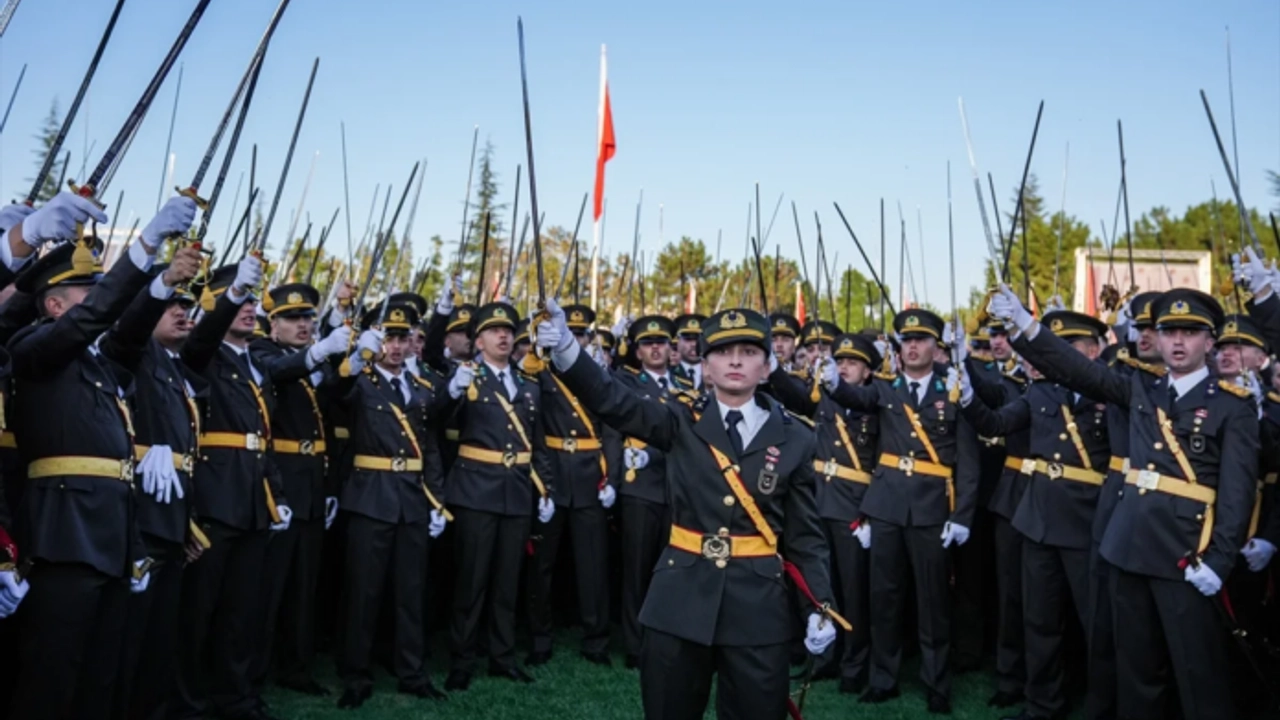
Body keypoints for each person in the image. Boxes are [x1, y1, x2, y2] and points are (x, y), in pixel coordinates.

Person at [536, 301, 841, 720]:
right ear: (705, 366)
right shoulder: (679, 419)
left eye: (749, 351)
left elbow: (806, 537)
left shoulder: (796, 438)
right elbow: (613, 400)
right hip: (679, 600)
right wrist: (569, 350)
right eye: (722, 351)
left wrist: (818, 605)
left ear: (768, 367)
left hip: (758, 608)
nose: (735, 360)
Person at [988, 284, 1257, 720]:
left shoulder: (1232, 406)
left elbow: (1237, 492)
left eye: (1189, 332)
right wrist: (1024, 324)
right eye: (1169, 331)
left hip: (1187, 554)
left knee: (1197, 672)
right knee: (1136, 671)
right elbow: (1078, 370)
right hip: (1128, 549)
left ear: (1210, 342)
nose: (1177, 341)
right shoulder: (1140, 388)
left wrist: (1221, 559)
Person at [5, 193, 196, 718]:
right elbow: (91, 324)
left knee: (100, 674)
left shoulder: (100, 364)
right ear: (54, 304)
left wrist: (160, 284)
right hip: (63, 533)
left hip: (111, 533)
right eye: (85, 291)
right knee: (53, 674)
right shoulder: (35, 348)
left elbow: (128, 333)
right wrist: (145, 245)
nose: (98, 301)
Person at [820, 307, 980, 714]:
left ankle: (936, 683)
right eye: (906, 340)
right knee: (884, 599)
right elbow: (855, 395)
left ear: (935, 346)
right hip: (886, 506)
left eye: (921, 339)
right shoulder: (886, 389)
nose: (912, 346)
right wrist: (834, 382)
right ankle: (883, 678)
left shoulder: (954, 390)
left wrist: (961, 516)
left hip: (931, 510)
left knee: (932, 604)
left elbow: (968, 462)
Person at [959, 310, 1112, 720]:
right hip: (1038, 518)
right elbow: (997, 422)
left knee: (1096, 624)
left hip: (1087, 520)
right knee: (1038, 619)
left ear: (1094, 352)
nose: (1056, 358)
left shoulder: (1110, 395)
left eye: (1070, 349)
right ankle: (1042, 704)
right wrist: (969, 396)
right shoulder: (1040, 393)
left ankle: (1101, 704)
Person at [172, 257, 295, 720]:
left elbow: (263, 439)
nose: (247, 309)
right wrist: (231, 295)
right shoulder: (201, 353)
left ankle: (236, 696)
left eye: (249, 301)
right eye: (235, 301)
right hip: (214, 499)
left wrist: (276, 495)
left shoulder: (254, 363)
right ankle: (189, 702)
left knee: (242, 612)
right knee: (199, 612)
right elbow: (202, 337)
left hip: (252, 500)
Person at [98, 248, 209, 720]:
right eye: (171, 306)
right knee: (129, 638)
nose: (182, 312)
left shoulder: (172, 366)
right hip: (138, 516)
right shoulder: (135, 351)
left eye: (187, 306)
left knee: (159, 637)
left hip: (170, 515)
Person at [334, 302, 448, 708]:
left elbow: (430, 448)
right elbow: (331, 392)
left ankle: (412, 673)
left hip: (412, 501)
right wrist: (354, 355)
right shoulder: (359, 382)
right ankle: (356, 675)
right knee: (363, 592)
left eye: (402, 338)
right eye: (388, 338)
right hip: (370, 496)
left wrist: (436, 500)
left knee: (410, 592)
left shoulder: (420, 390)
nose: (396, 347)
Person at [438, 301, 554, 690]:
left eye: (508, 330)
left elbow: (537, 444)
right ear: (478, 340)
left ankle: (502, 657)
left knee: (507, 581)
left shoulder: (527, 383)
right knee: (471, 581)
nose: (504, 336)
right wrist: (451, 392)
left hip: (517, 491)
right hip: (475, 489)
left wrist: (545, 488)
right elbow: (435, 421)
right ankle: (462, 659)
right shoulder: (465, 378)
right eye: (494, 330)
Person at [250, 282, 350, 698]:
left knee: (303, 586)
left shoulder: (311, 363)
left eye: (308, 317)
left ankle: (296, 665)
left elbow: (332, 400)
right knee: (268, 587)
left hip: (310, 481)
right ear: (272, 325)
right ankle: (254, 670)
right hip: (280, 482)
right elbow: (280, 371)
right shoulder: (263, 352)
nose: (303, 324)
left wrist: (351, 360)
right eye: (292, 319)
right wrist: (320, 352)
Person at [769, 332, 882, 694]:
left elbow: (885, 462)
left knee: (853, 591)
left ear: (867, 372)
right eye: (841, 361)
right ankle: (825, 657)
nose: (844, 367)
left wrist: (870, 511)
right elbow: (795, 398)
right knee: (820, 589)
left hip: (853, 506)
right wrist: (773, 368)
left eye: (853, 363)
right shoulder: (824, 396)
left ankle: (854, 664)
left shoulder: (878, 403)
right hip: (819, 501)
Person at [525, 303, 616, 666]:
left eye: (580, 334)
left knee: (593, 566)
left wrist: (611, 478)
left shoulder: (593, 375)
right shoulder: (539, 373)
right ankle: (539, 638)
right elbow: (529, 427)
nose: (575, 339)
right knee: (542, 565)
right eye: (570, 333)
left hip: (590, 476)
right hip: (552, 473)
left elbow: (611, 426)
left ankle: (596, 641)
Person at [606, 315, 687, 669]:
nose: (656, 348)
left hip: (678, 486)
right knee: (637, 570)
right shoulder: (625, 381)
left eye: (662, 342)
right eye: (648, 343)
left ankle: (667, 638)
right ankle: (636, 645)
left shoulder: (685, 384)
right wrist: (614, 477)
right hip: (641, 484)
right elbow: (612, 425)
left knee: (672, 571)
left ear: (672, 349)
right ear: (637, 350)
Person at [962, 319, 1030, 709]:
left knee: (1033, 597)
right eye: (993, 336)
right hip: (999, 493)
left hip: (1045, 497)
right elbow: (989, 398)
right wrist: (963, 363)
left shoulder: (1035, 382)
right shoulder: (1007, 381)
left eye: (1006, 335)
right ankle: (1004, 670)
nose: (997, 342)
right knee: (997, 588)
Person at [672, 313, 705, 389]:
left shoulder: (714, 373)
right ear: (678, 342)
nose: (693, 344)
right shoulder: (667, 372)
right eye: (688, 339)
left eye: (698, 339)